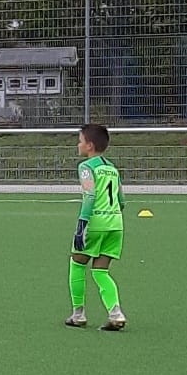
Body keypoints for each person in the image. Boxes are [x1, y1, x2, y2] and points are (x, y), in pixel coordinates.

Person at [67, 123, 126, 331]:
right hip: (116, 224)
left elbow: (90, 195)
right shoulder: (112, 169)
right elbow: (122, 200)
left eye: (80, 141)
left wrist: (82, 224)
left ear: (89, 145)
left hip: (95, 223)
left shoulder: (86, 167)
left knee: (77, 263)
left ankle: (78, 314)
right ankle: (116, 313)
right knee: (101, 271)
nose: (78, 145)